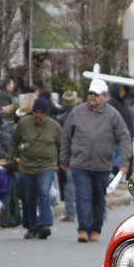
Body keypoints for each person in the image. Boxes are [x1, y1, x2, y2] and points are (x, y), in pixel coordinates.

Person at [59, 78, 131, 243]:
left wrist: (124, 162)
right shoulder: (77, 112)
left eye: (96, 94)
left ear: (104, 96)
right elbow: (66, 136)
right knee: (83, 196)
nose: (92, 97)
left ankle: (96, 229)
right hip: (80, 163)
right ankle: (84, 229)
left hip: (102, 165)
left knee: (98, 198)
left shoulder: (112, 114)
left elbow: (124, 137)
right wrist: (63, 159)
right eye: (90, 93)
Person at [11, 96, 61, 240]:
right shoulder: (24, 123)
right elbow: (14, 141)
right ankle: (31, 227)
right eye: (36, 112)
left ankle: (44, 224)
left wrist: (62, 161)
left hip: (47, 165)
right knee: (29, 196)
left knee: (43, 191)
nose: (38, 115)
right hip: (27, 165)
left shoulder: (54, 126)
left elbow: (61, 144)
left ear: (46, 113)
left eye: (41, 113)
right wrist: (11, 158)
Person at [55, 90, 82, 222]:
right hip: (84, 152)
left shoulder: (61, 119)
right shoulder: (83, 115)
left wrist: (62, 158)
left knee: (70, 184)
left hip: (71, 154)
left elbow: (62, 139)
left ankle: (70, 212)